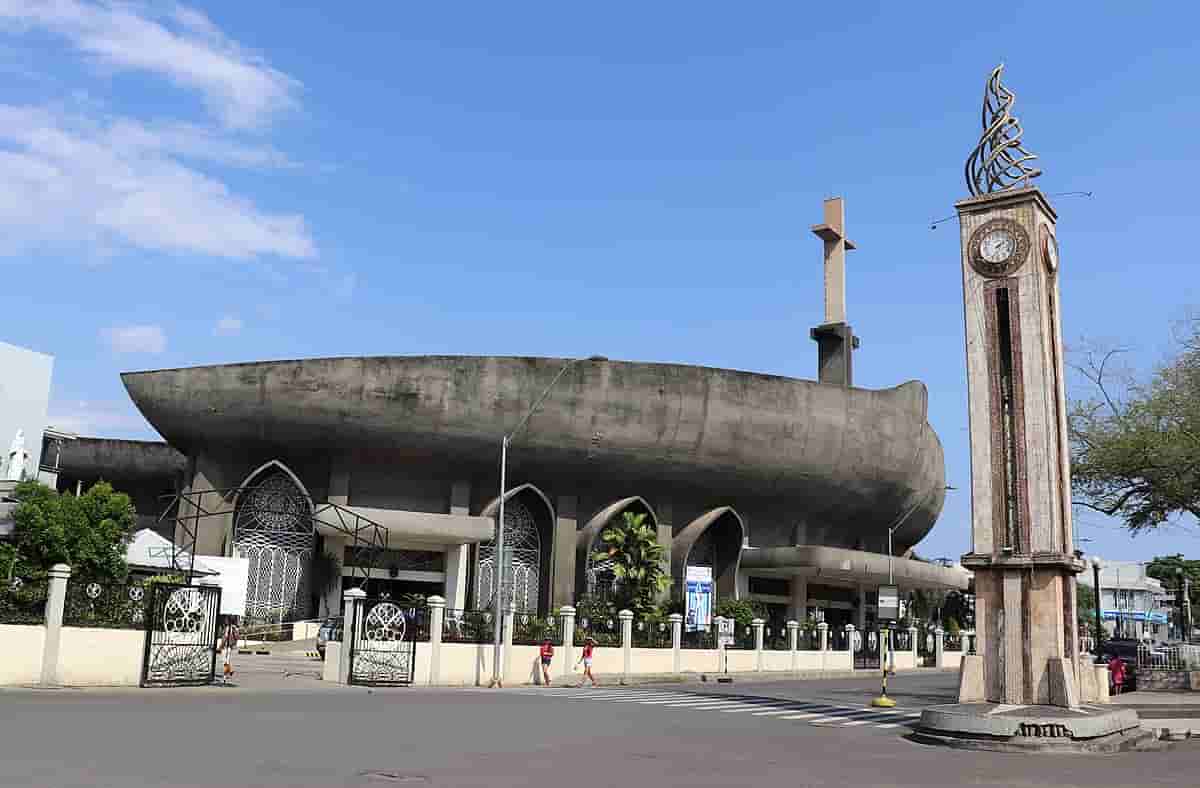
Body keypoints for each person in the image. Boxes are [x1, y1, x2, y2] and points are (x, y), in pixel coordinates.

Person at [219, 617, 241, 684]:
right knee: (227, 661)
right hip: (230, 646)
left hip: (225, 646)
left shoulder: (227, 628)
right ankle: (227, 674)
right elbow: (237, 637)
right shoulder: (234, 628)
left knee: (224, 662)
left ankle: (226, 675)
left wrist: (221, 646)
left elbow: (225, 637)